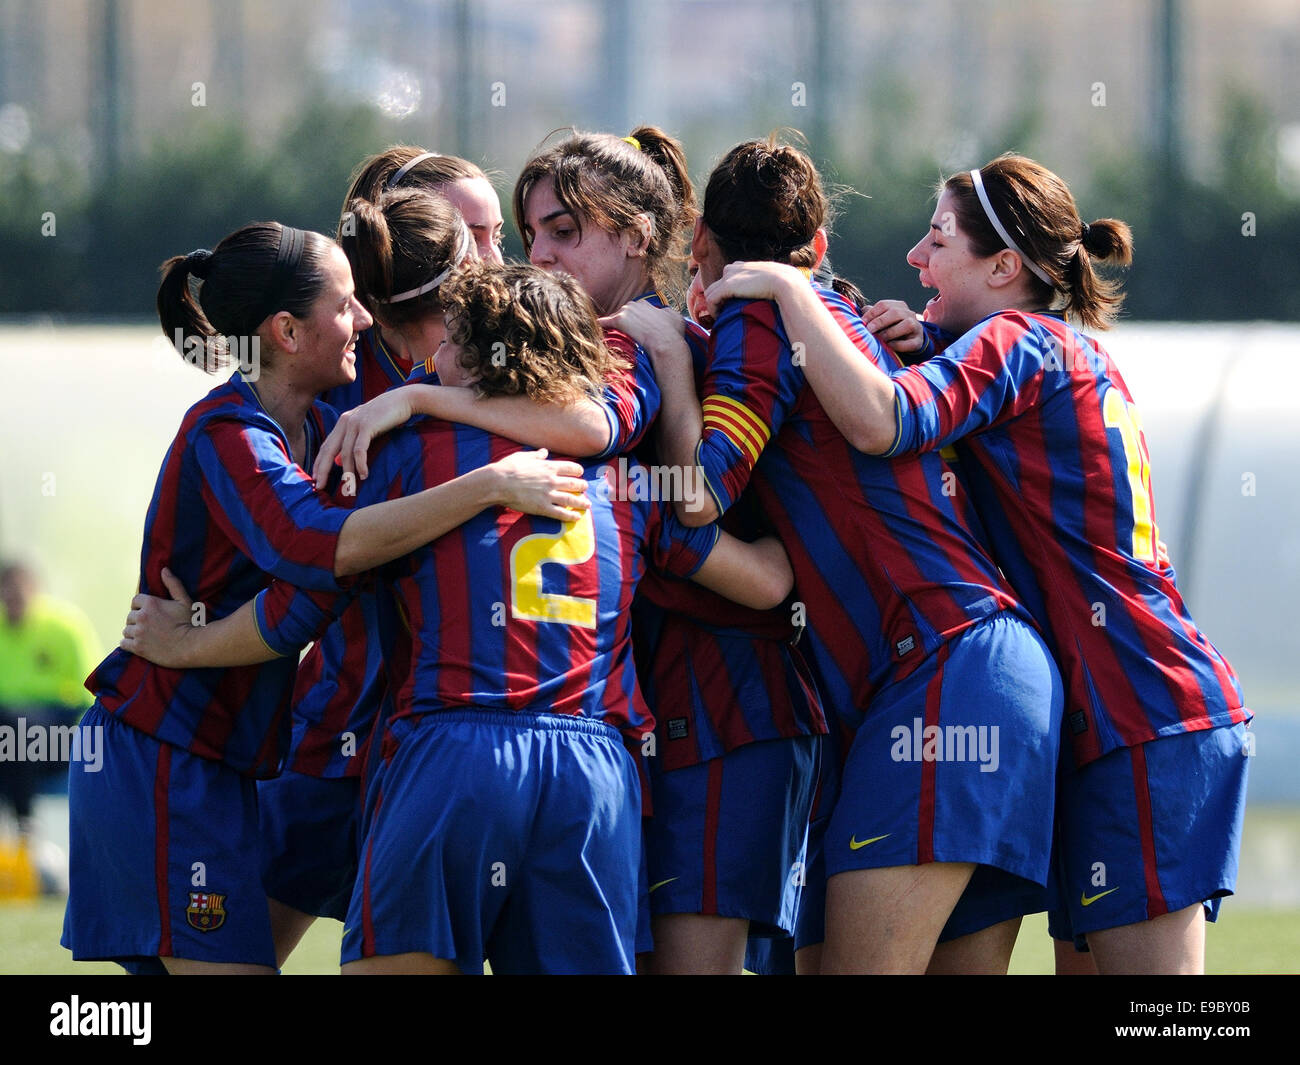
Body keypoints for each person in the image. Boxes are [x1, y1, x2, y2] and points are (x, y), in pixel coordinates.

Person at [122, 260, 800, 974]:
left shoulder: (402, 456)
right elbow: (766, 582)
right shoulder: (626, 476)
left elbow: (301, 606)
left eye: (446, 343)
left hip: (453, 754)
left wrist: (187, 642)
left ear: (475, 358)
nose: (428, 358)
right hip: (593, 771)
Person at [704, 151, 1250, 975]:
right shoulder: (1037, 344)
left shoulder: (1019, 338)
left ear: (1004, 266)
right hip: (1103, 709)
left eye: (938, 240)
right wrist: (921, 337)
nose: (917, 258)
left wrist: (788, 287)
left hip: (1138, 703)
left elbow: (885, 421)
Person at [62, 221, 587, 975]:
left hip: (214, 768)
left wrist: (195, 643)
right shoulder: (226, 434)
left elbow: (311, 598)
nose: (366, 320)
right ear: (285, 330)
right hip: (158, 760)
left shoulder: (316, 434)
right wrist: (489, 486)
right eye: (346, 305)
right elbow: (314, 547)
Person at [625, 136, 1063, 974]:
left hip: (941, 672)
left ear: (705, 249)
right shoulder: (841, 310)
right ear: (819, 248)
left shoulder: (763, 314)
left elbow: (699, 494)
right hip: (966, 674)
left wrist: (674, 358)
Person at [0, 562, 99, 849]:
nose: (13, 598)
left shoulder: (65, 628)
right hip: (9, 731)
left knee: (21, 730)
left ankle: (24, 837)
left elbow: (89, 694)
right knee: (13, 729)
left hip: (55, 733)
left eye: (19, 590)